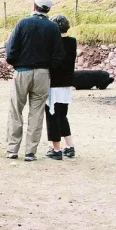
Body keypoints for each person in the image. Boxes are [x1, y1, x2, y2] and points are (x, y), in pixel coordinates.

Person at [5, 0, 65, 161]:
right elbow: (59, 55)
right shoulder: (53, 28)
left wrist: (15, 63)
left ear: (34, 6)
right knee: (36, 113)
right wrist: (47, 67)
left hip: (22, 71)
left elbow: (10, 50)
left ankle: (12, 149)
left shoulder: (22, 23)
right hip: (42, 73)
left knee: (16, 109)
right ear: (48, 9)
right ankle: (30, 152)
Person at [44, 14, 77, 160]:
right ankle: (69, 146)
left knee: (52, 116)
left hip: (54, 83)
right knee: (63, 115)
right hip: (66, 84)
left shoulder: (53, 43)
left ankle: (56, 149)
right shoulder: (72, 41)